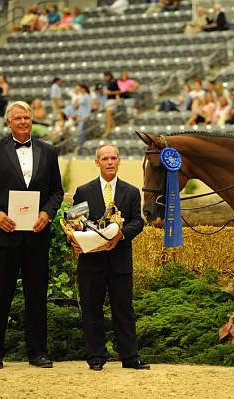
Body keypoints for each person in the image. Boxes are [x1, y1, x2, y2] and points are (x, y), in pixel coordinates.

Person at [0, 100, 64, 370]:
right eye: (18, 118)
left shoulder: (49, 152)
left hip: (36, 236)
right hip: (3, 236)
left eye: (27, 117)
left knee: (36, 296)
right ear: (9, 122)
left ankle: (37, 352)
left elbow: (57, 192)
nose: (24, 122)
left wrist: (47, 214)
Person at [70, 144, 147, 372]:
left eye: (114, 158)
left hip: (120, 261)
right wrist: (73, 240)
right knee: (92, 310)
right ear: (97, 163)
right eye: (105, 158)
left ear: (119, 161)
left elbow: (138, 221)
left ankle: (130, 357)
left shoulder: (132, 192)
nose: (110, 162)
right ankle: (96, 357)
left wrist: (121, 234)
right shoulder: (83, 191)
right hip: (91, 263)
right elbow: (75, 222)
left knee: (124, 310)